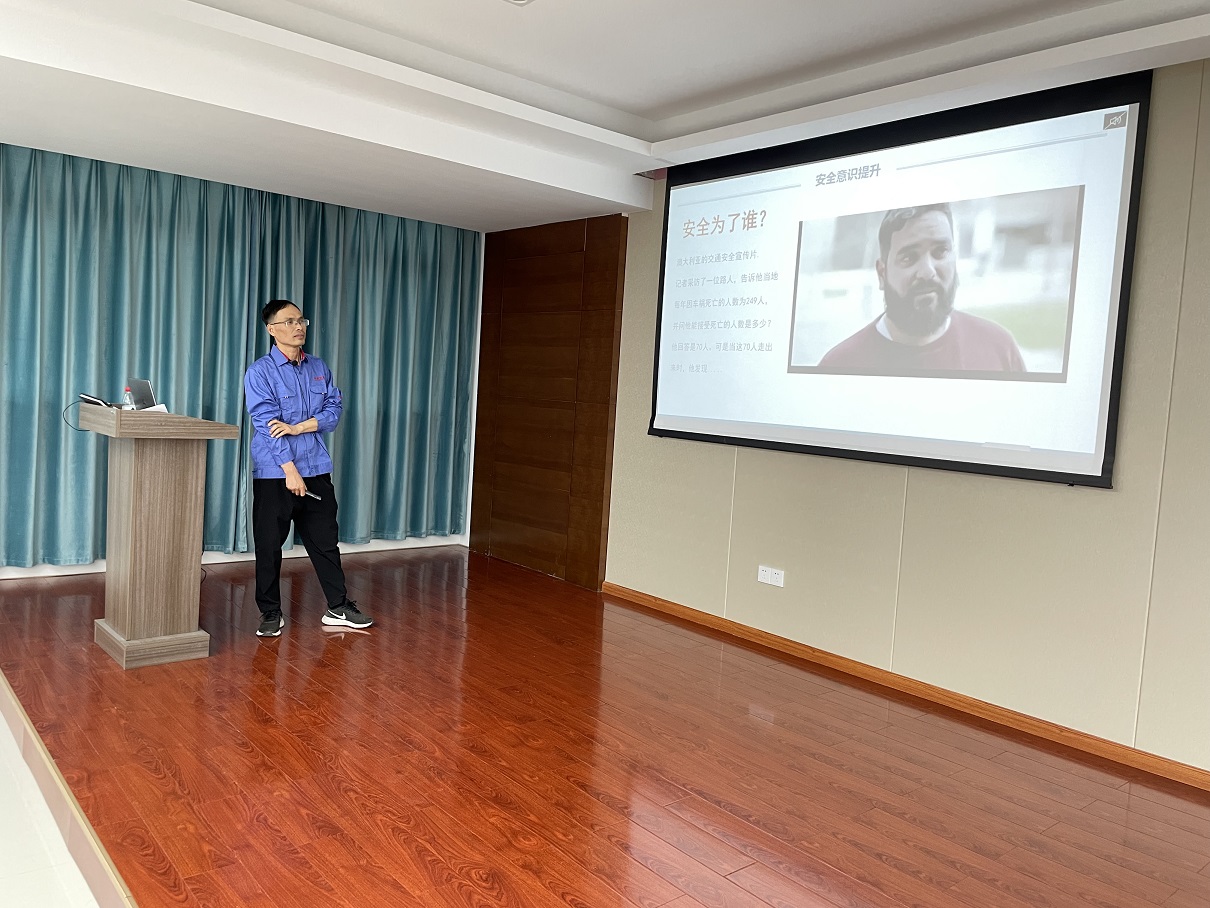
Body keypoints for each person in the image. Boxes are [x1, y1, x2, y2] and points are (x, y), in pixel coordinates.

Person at [243, 299, 372, 637]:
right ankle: (270, 611)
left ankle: (338, 606)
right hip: (275, 472)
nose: (298, 327)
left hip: (316, 466)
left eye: (301, 320)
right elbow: (266, 424)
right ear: (272, 329)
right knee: (269, 545)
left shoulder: (318, 367)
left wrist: (299, 427)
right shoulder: (260, 372)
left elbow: (333, 412)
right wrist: (289, 470)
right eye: (289, 321)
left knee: (326, 540)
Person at [817, 204, 1025, 374]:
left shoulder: (999, 348)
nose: (927, 272)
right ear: (882, 274)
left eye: (940, 251)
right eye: (909, 257)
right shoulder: (838, 366)